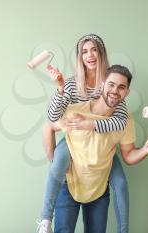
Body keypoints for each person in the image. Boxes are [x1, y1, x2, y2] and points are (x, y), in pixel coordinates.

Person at [49, 65, 148, 233]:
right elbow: (48, 127)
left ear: (127, 92)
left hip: (99, 189)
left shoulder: (124, 121)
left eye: (121, 87)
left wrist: (145, 149)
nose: (115, 90)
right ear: (102, 85)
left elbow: (129, 156)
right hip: (69, 186)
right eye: (111, 84)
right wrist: (55, 160)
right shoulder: (76, 110)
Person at [37, 34, 130, 233]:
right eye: (84, 51)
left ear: (102, 53)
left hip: (103, 146)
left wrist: (89, 124)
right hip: (76, 145)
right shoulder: (72, 84)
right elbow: (52, 117)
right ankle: (45, 219)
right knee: (58, 163)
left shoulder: (112, 83)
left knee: (120, 182)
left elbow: (120, 120)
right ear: (79, 57)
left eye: (94, 50)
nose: (90, 55)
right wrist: (61, 88)